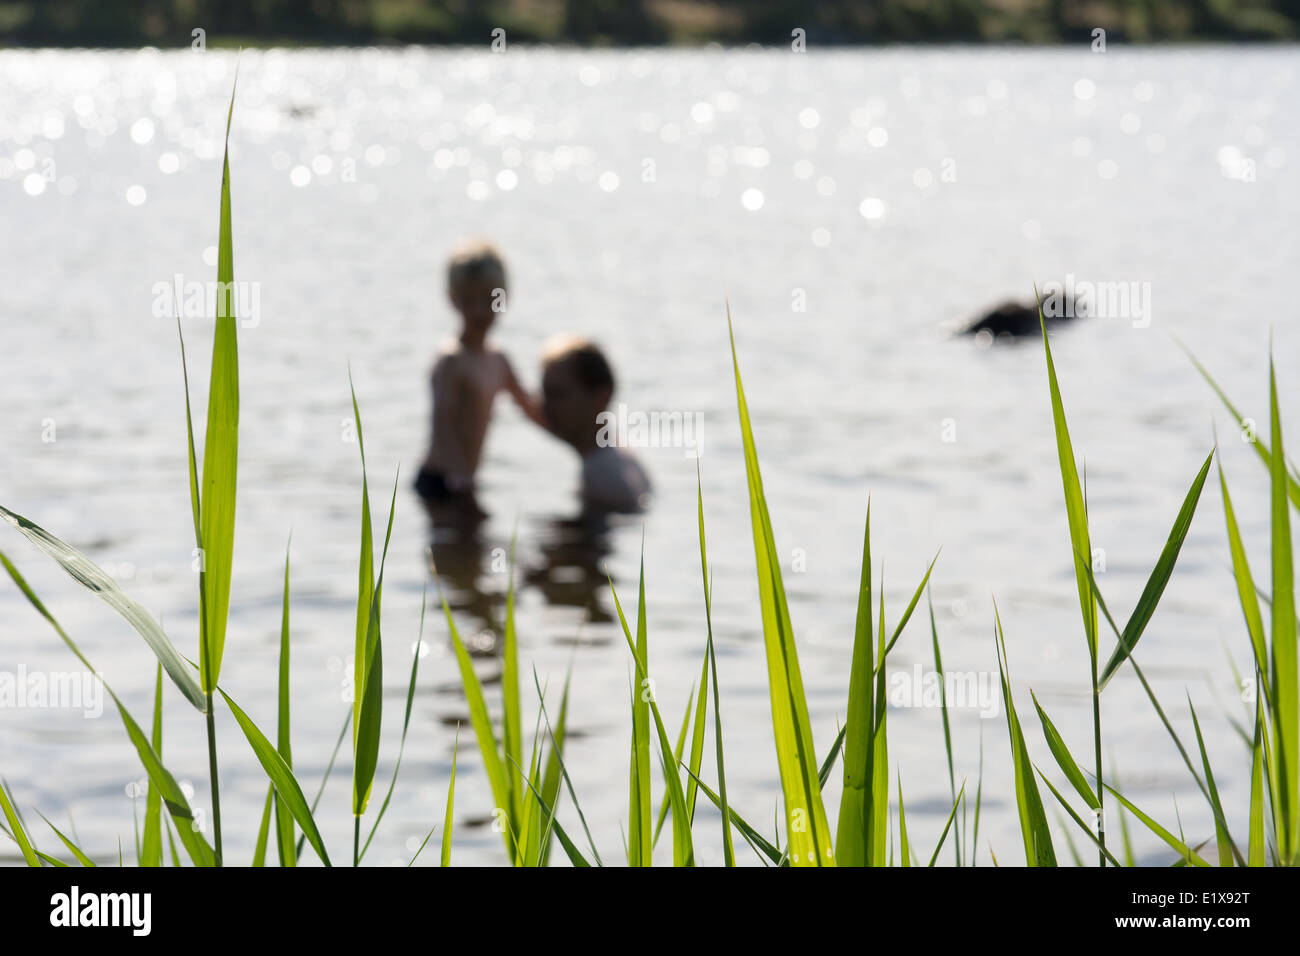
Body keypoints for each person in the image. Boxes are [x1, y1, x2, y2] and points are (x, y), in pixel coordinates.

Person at [415, 240, 545, 507]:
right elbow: (443, 423)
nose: (479, 309)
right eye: (469, 299)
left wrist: (581, 438)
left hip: (466, 480)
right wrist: (460, 476)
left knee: (476, 546)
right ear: (452, 298)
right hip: (440, 480)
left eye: (489, 298)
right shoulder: (451, 360)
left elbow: (531, 409)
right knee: (453, 545)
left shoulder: (499, 361)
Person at [540, 336, 651, 516]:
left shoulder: (601, 474)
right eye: (544, 394)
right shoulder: (618, 453)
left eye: (558, 395)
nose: (545, 407)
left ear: (601, 397)